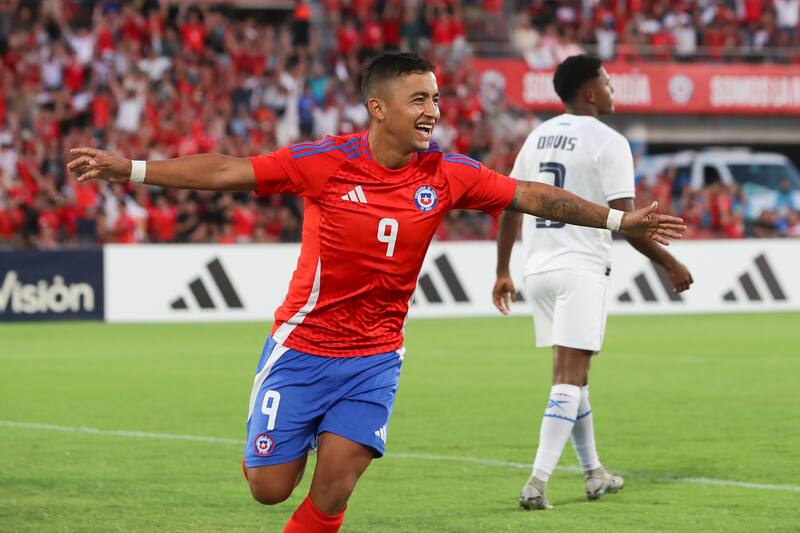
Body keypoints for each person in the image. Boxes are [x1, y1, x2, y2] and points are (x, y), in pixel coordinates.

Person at [68, 53, 684, 532]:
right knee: (269, 487)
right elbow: (230, 169)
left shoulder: (446, 174)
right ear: (378, 108)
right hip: (303, 348)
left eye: (437, 99)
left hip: (374, 358)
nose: (432, 111)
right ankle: (281, 433)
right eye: (419, 99)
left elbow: (529, 195)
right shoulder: (324, 162)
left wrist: (615, 220)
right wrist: (135, 170)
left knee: (335, 486)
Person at [492, 54, 694, 511]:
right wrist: (670, 263)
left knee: (575, 378)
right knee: (567, 379)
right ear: (589, 92)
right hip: (579, 268)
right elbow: (629, 222)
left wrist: (503, 269)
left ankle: (594, 473)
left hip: (536, 269)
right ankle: (537, 481)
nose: (612, 87)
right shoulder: (610, 141)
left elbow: (509, 203)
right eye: (606, 80)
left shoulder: (537, 135)